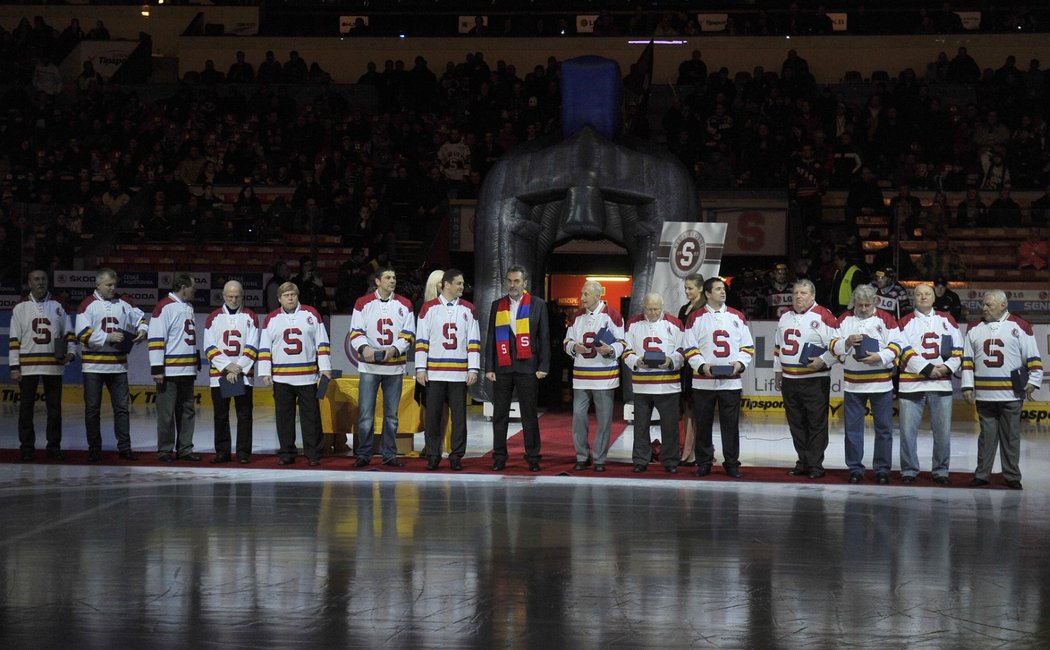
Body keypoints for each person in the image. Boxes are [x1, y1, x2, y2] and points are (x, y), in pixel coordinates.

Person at [961, 290, 1043, 490]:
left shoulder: (1020, 326)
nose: (984, 308)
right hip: (984, 394)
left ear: (1003, 306)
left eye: (989, 305)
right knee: (986, 438)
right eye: (984, 304)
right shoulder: (974, 328)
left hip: (1011, 394)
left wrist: (1033, 381)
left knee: (1011, 437)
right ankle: (982, 474)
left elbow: (1033, 359)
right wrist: (967, 385)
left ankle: (1012, 475)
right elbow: (968, 361)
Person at [830, 284, 904, 484]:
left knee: (884, 428)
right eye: (859, 305)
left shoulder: (886, 318)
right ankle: (855, 468)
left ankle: (882, 469)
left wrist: (879, 356)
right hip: (853, 384)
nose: (862, 309)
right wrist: (846, 343)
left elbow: (898, 345)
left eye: (867, 305)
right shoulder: (845, 319)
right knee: (853, 429)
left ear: (875, 302)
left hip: (881, 384)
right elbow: (833, 344)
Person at [683, 277, 755, 478]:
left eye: (723, 289)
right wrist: (701, 366)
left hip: (730, 382)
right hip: (703, 383)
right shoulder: (696, 318)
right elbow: (689, 347)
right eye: (717, 289)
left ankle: (732, 463)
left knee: (730, 426)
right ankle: (704, 462)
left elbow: (747, 347)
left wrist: (740, 364)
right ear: (707, 294)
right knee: (703, 425)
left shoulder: (737, 316)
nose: (722, 292)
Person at [75, 268, 148, 461]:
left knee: (122, 409)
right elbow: (81, 334)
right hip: (93, 367)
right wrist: (108, 337)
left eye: (115, 284)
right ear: (98, 284)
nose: (112, 288)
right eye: (108, 285)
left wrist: (143, 330)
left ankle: (125, 448)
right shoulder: (87, 305)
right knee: (92, 410)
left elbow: (142, 318)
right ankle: (94, 449)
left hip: (118, 366)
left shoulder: (125, 302)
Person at [484, 265, 551, 472]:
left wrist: (544, 365)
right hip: (502, 367)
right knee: (500, 415)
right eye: (509, 281)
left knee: (529, 414)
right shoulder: (497, 305)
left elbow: (544, 337)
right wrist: (489, 367)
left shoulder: (538, 305)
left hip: (528, 367)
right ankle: (499, 457)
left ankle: (533, 457)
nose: (512, 285)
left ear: (524, 283)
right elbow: (491, 338)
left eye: (516, 281)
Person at [258, 282, 332, 466]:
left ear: (297, 296)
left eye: (293, 294)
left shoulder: (311, 314)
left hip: (307, 376)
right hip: (282, 376)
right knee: (284, 417)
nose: (290, 298)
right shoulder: (271, 318)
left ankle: (313, 453)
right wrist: (265, 371)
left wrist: (325, 368)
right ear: (279, 298)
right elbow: (265, 347)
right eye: (286, 295)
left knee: (311, 416)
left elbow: (321, 342)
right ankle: (286, 452)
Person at [349, 266, 415, 468]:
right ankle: (364, 454)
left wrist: (395, 349)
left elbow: (409, 334)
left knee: (391, 416)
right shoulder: (362, 303)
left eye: (394, 277)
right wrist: (364, 348)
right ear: (377, 281)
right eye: (387, 277)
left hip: (394, 368)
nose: (392, 281)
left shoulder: (405, 304)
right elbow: (355, 332)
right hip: (369, 367)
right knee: (366, 415)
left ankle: (389, 454)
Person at [897, 283, 962, 485]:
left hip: (940, 385)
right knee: (907, 433)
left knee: (942, 433)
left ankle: (941, 470)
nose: (923, 297)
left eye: (927, 294)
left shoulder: (947, 320)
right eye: (919, 294)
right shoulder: (904, 322)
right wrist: (928, 369)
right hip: (911, 386)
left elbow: (958, 349)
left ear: (934, 298)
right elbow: (902, 350)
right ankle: (908, 470)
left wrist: (946, 368)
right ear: (914, 298)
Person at [416, 269, 480, 471]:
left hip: (459, 373)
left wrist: (473, 368)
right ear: (446, 285)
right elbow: (421, 340)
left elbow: (474, 341)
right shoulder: (429, 308)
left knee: (459, 417)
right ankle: (433, 454)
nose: (462, 287)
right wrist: (420, 368)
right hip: (434, 372)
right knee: (433, 416)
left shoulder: (469, 309)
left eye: (462, 283)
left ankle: (457, 455)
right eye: (459, 283)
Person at [774, 279, 838, 479]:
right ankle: (802, 461)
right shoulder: (784, 317)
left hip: (814, 380)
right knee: (797, 423)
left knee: (816, 423)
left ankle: (815, 465)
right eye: (795, 293)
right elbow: (778, 347)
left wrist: (823, 360)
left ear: (812, 296)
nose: (798, 297)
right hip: (789, 380)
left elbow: (839, 346)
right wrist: (777, 372)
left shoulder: (824, 315)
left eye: (803, 293)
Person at [9, 269, 75, 461]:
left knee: (54, 409)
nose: (40, 282)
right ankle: (27, 448)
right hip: (28, 365)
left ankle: (54, 448)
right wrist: (15, 366)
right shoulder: (20, 307)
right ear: (29, 283)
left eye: (43, 279)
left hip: (53, 365)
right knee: (26, 409)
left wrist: (71, 353)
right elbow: (14, 339)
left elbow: (68, 332)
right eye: (36, 279)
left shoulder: (59, 305)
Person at [564, 281, 625, 472]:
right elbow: (567, 340)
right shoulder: (576, 316)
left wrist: (611, 349)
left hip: (605, 377)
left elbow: (623, 342)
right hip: (581, 376)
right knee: (578, 417)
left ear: (598, 296)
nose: (582, 298)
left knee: (604, 419)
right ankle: (582, 456)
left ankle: (599, 459)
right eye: (582, 294)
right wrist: (573, 347)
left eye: (586, 294)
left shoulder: (612, 315)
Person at [622, 293, 684, 474]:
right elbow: (626, 349)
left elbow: (683, 349)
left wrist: (671, 361)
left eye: (656, 309)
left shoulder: (675, 324)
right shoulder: (633, 323)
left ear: (662, 306)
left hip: (668, 384)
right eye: (649, 309)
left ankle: (671, 460)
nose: (653, 312)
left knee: (670, 425)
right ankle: (641, 459)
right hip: (642, 384)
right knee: (640, 425)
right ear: (644, 307)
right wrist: (635, 361)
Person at [203, 280, 259, 464]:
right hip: (219, 376)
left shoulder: (251, 316)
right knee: (220, 415)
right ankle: (222, 451)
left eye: (237, 296)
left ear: (242, 296)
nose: (234, 300)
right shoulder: (213, 317)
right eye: (230, 296)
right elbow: (209, 347)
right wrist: (228, 366)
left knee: (244, 415)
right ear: (223, 295)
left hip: (243, 375)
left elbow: (253, 346)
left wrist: (239, 367)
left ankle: (243, 453)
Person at [148, 274, 201, 462]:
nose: (195, 290)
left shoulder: (188, 306)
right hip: (169, 371)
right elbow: (155, 338)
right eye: (193, 287)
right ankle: (165, 450)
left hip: (187, 370)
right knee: (166, 413)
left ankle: (185, 448)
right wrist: (157, 368)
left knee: (187, 411)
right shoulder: (164, 307)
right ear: (183, 286)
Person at [677, 273, 705, 466]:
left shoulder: (704, 309)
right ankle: (688, 449)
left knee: (697, 409)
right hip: (685, 364)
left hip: (699, 363)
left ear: (701, 289)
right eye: (686, 288)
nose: (687, 291)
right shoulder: (683, 309)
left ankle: (694, 451)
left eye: (691, 288)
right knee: (687, 407)